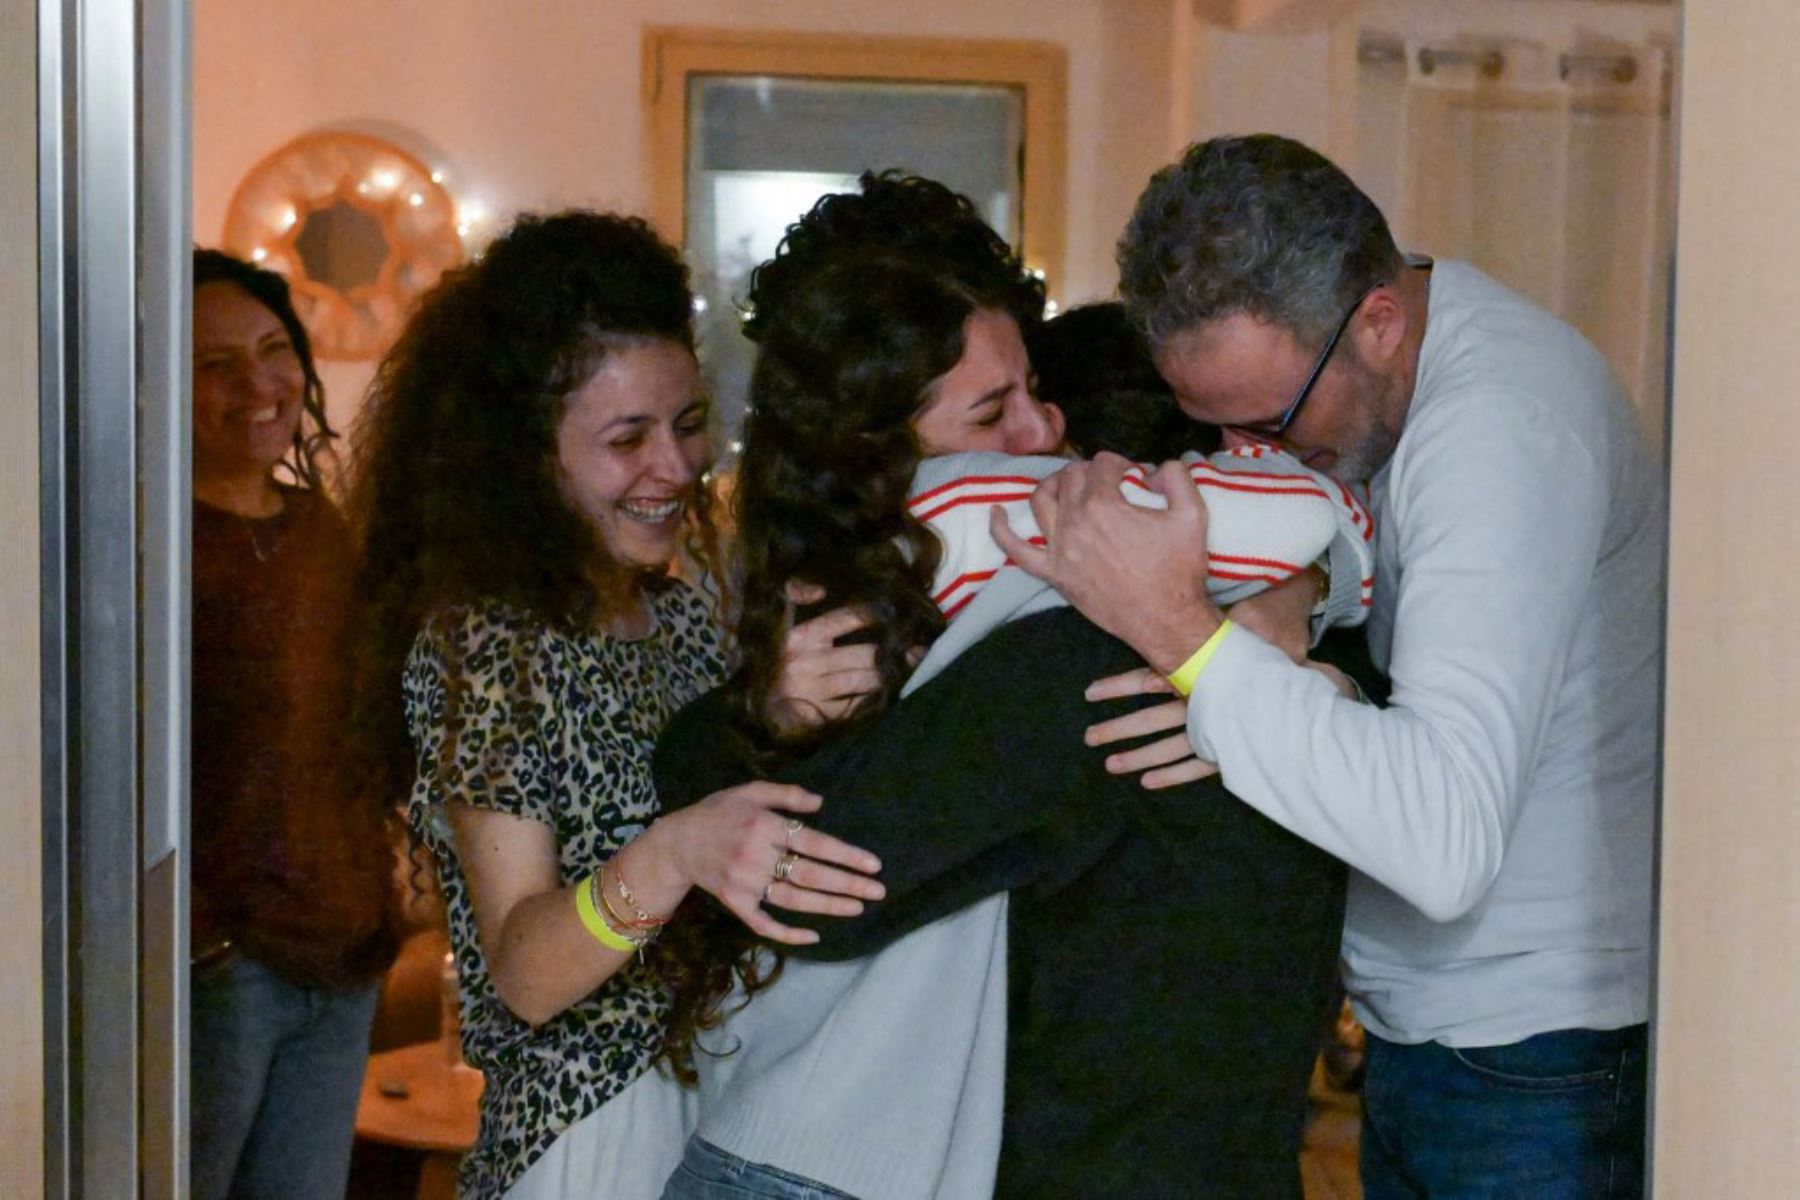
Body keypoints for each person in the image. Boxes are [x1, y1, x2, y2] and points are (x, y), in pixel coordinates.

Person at [994, 134, 1663, 1198]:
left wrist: (1186, 641)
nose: (1252, 458)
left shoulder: (1500, 432)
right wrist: (1290, 605)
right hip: (1437, 1036)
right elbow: (1361, 563)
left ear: (1378, 327)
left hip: (1534, 1060)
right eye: (1217, 432)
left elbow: (1443, 842)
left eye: (1269, 423)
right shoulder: (1380, 370)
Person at [655, 254, 1362, 1199]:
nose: (1042, 438)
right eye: (999, 415)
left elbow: (825, 871)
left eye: (1039, 404)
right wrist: (1301, 591)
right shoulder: (1316, 660)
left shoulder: (1073, 662)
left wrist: (719, 735)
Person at [341, 211, 883, 1199]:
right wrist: (675, 850)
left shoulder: (680, 613)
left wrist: (782, 715)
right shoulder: (491, 642)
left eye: (685, 425)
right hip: (581, 1137)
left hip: (716, 1104)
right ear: (525, 457)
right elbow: (524, 971)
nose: (674, 469)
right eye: (625, 438)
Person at [188, 248, 402, 1200]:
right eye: (215, 364)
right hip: (221, 970)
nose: (258, 385)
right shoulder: (143, 541)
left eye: (274, 350)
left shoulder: (322, 529)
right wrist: (202, 943)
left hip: (345, 952)